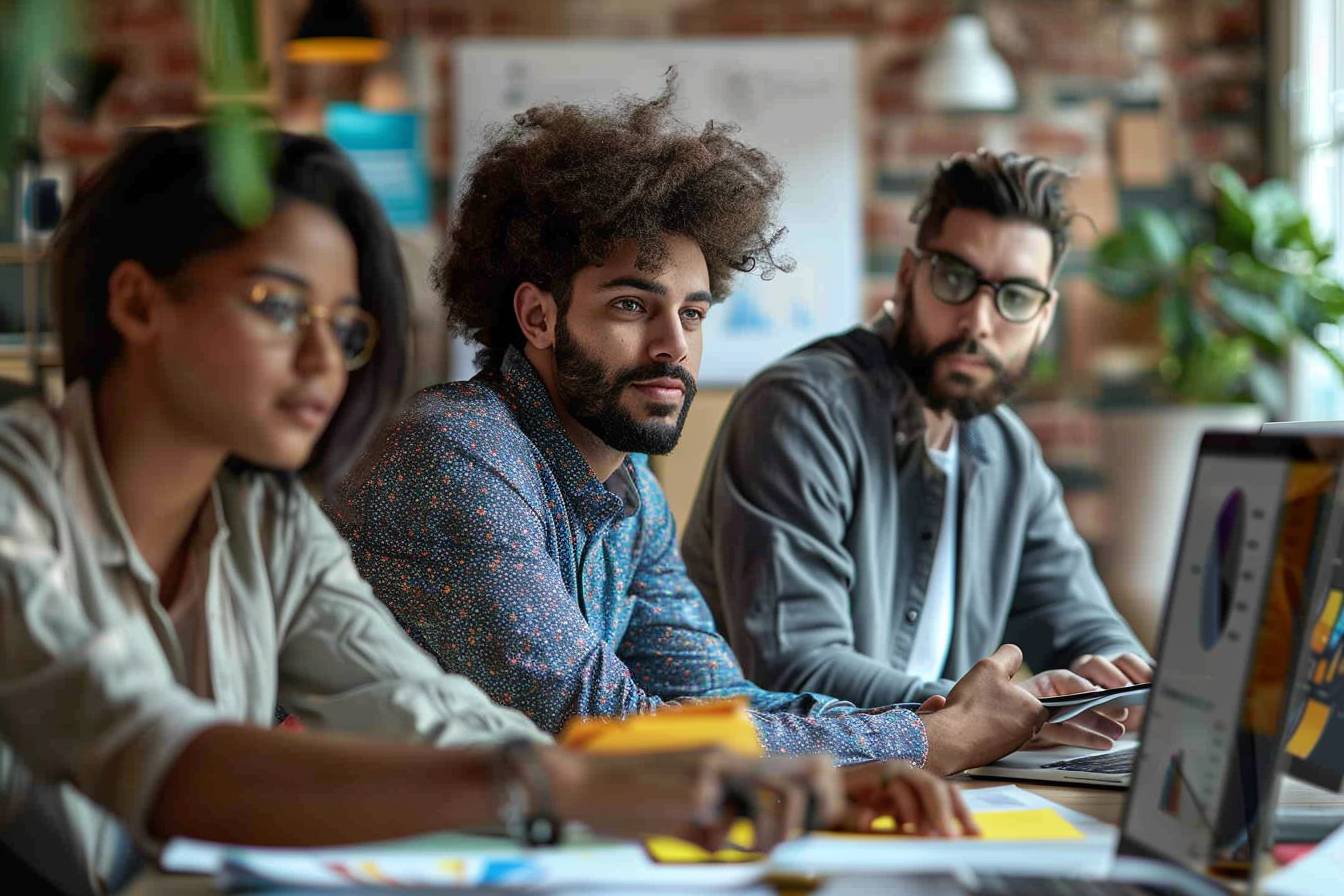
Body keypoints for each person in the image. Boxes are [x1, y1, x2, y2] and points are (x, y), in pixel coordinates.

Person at [0, 126, 969, 896]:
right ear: (137, 304)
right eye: (274, 303)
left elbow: (429, 716)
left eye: (344, 328)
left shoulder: (265, 522)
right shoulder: (16, 500)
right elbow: (160, 757)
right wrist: (572, 780)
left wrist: (791, 777)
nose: (321, 362)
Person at [331, 83, 1048, 783]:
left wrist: (920, 715)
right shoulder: (456, 452)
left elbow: (715, 705)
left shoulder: (629, 490)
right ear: (538, 318)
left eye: (694, 314)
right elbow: (598, 728)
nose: (673, 345)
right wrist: (927, 739)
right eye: (631, 305)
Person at [682, 149, 1152, 752]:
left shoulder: (1007, 451)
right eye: (955, 279)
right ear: (908, 277)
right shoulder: (800, 411)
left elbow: (1081, 620)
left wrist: (1122, 679)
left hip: (923, 787)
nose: (979, 321)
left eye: (1015, 296)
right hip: (779, 790)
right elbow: (794, 667)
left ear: (1043, 316)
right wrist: (981, 718)